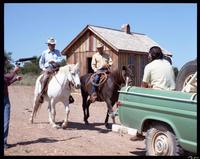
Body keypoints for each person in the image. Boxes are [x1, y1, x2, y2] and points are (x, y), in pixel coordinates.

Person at [38, 37, 74, 104]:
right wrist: (44, 68)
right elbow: (41, 62)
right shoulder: (44, 53)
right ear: (48, 45)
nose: (53, 46)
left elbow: (60, 59)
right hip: (48, 69)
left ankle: (69, 95)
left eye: (54, 44)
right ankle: (41, 94)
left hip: (57, 68)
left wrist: (54, 61)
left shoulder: (57, 51)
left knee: (67, 76)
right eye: (51, 44)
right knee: (45, 78)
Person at [4, 56, 23, 149]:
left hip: (6, 99)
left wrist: (15, 79)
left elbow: (6, 82)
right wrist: (15, 71)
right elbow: (6, 78)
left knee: (6, 122)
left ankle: (4, 142)